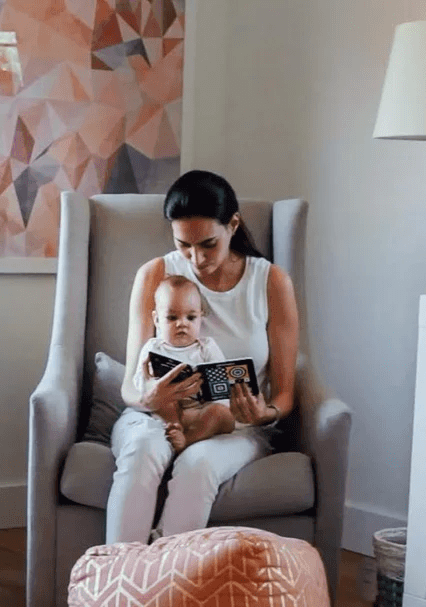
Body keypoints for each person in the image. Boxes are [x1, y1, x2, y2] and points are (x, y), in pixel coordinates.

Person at [106, 169, 300, 544]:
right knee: (143, 449)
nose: (196, 259)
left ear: (233, 225)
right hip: (154, 414)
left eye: (208, 244)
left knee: (199, 465)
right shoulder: (155, 275)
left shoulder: (271, 282)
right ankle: (120, 581)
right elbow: (131, 384)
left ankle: (170, 583)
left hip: (234, 425)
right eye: (184, 246)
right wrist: (147, 398)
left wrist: (267, 413)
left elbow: (286, 393)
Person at [131, 275, 235, 456]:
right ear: (156, 320)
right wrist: (149, 386)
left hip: (200, 412)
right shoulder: (153, 348)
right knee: (165, 400)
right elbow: (140, 383)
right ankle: (175, 428)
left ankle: (187, 440)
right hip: (169, 412)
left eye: (191, 317)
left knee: (222, 414)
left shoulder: (207, 348)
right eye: (172, 318)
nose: (182, 324)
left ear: (201, 318)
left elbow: (222, 391)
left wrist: (218, 397)